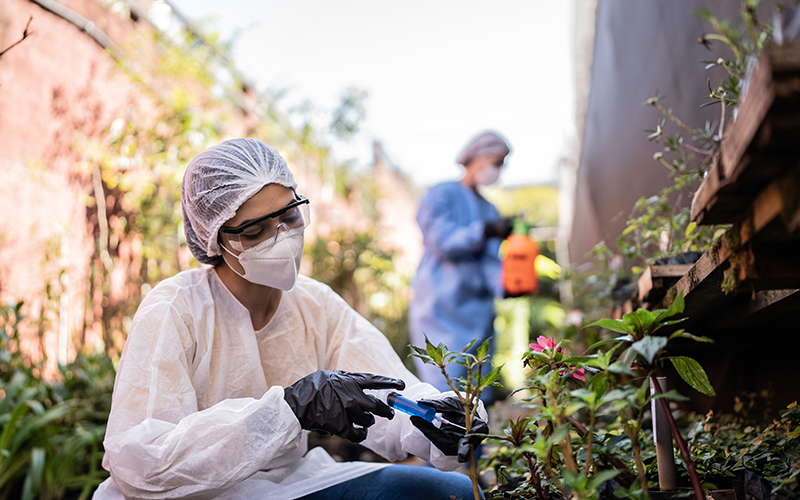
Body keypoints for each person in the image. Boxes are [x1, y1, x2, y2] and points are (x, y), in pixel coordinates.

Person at [93, 138, 487, 500]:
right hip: (196, 496)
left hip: (291, 486)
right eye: (254, 230)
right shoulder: (176, 307)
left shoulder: (314, 304)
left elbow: (388, 394)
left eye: (289, 217)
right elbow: (142, 464)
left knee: (452, 494)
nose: (280, 237)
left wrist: (438, 418)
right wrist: (289, 409)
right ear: (215, 238)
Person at [409, 131, 513, 390]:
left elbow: (490, 260)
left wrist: (505, 286)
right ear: (479, 158)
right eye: (497, 162)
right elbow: (441, 241)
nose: (498, 170)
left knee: (477, 385)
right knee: (444, 383)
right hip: (440, 304)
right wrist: (484, 230)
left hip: (478, 308)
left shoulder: (489, 209)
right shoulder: (440, 195)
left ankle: (475, 431)